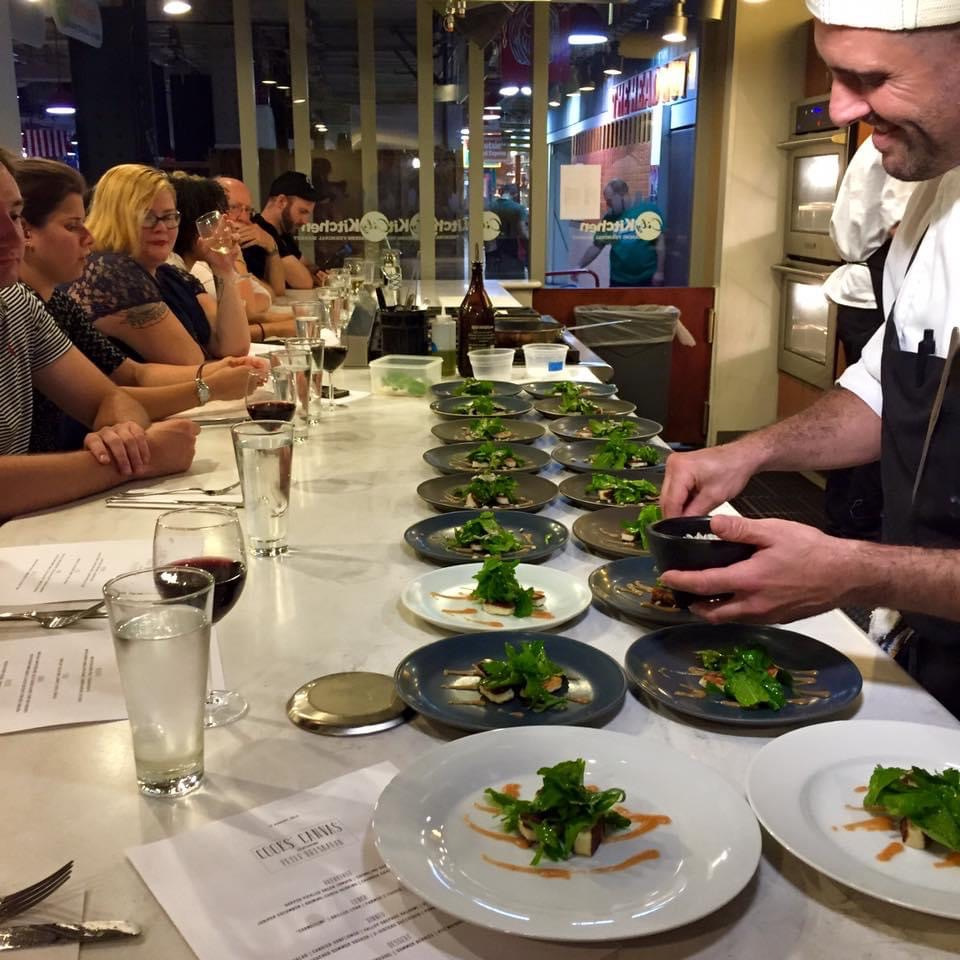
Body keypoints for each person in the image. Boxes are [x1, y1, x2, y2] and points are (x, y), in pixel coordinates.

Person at [658, 0, 960, 716]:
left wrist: (855, 571)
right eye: (833, 73)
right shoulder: (935, 189)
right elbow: (889, 387)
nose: (838, 108)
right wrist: (749, 454)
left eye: (871, 77)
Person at [14, 158, 263, 451]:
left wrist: (218, 370)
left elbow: (125, 380)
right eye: (73, 226)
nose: (89, 237)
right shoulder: (109, 272)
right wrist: (209, 385)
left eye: (170, 216)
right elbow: (183, 361)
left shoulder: (40, 303)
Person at [0, 150, 198, 519]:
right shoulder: (111, 272)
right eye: (73, 225)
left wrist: (122, 437)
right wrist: (136, 459)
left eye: (14, 216)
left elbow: (109, 398)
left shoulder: (16, 303)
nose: (12, 237)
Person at [821, 139, 916, 540]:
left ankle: (845, 520)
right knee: (882, 414)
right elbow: (902, 223)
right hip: (880, 287)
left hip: (864, 289)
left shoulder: (874, 142)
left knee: (869, 405)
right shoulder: (912, 138)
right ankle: (857, 526)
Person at [67, 163, 250, 365]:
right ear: (116, 218)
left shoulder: (172, 276)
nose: (162, 227)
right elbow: (189, 360)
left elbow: (233, 347)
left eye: (170, 216)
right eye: (147, 216)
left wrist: (223, 270)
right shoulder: (111, 273)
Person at [579, 179, 665, 287]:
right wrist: (579, 266)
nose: (608, 205)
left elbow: (659, 244)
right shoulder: (609, 220)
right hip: (619, 280)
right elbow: (596, 247)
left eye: (610, 201)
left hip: (646, 279)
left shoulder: (647, 211)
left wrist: (660, 272)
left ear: (622, 195)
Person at [249, 171, 323, 290]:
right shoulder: (258, 230)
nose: (305, 221)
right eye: (302, 212)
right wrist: (311, 276)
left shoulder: (282, 233)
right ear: (281, 201)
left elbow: (308, 266)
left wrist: (316, 273)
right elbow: (304, 282)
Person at [216, 175, 286, 298]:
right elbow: (253, 301)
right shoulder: (209, 248)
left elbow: (278, 291)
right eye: (233, 207)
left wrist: (271, 246)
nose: (243, 217)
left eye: (247, 210)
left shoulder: (250, 239)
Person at [487, 183, 528, 279]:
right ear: (515, 194)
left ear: (501, 192)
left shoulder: (490, 206)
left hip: (493, 247)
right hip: (512, 247)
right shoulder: (519, 209)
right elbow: (522, 230)